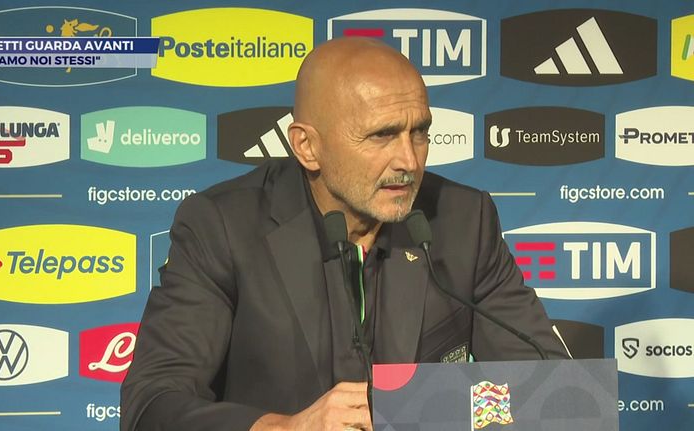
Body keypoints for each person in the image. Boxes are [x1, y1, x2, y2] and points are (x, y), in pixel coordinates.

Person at [121, 37, 570, 431]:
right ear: (307, 146)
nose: (409, 161)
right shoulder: (222, 226)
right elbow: (152, 404)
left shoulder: (463, 220)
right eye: (382, 136)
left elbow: (553, 390)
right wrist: (283, 428)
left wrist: (434, 410)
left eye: (419, 132)